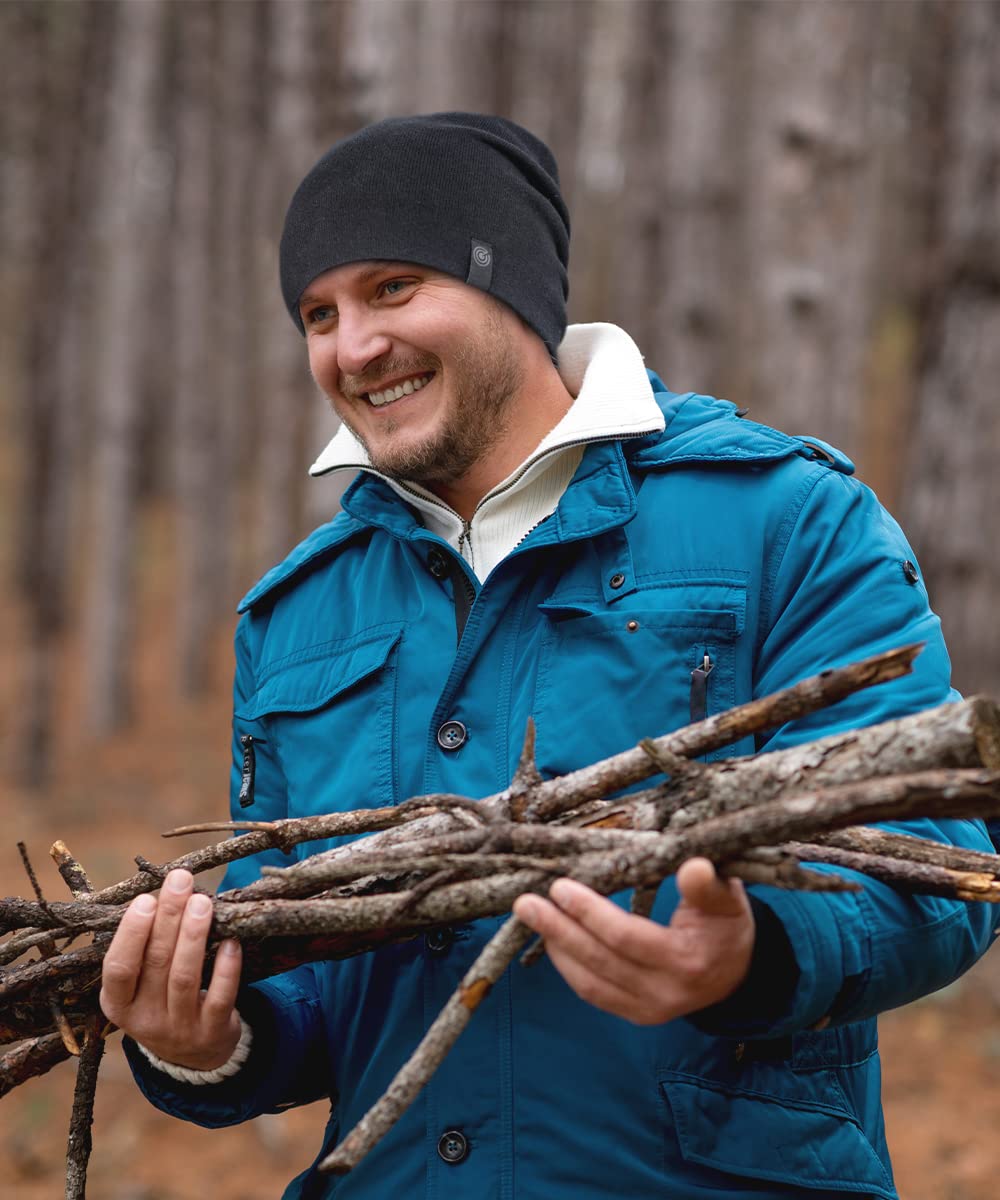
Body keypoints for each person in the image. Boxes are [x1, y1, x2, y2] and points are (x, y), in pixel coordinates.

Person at [101, 113, 995, 1199]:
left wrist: (753, 952)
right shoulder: (297, 615)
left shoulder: (786, 521)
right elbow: (307, 985)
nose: (352, 346)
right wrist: (207, 1038)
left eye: (393, 288)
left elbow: (942, 864)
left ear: (514, 290)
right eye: (317, 312)